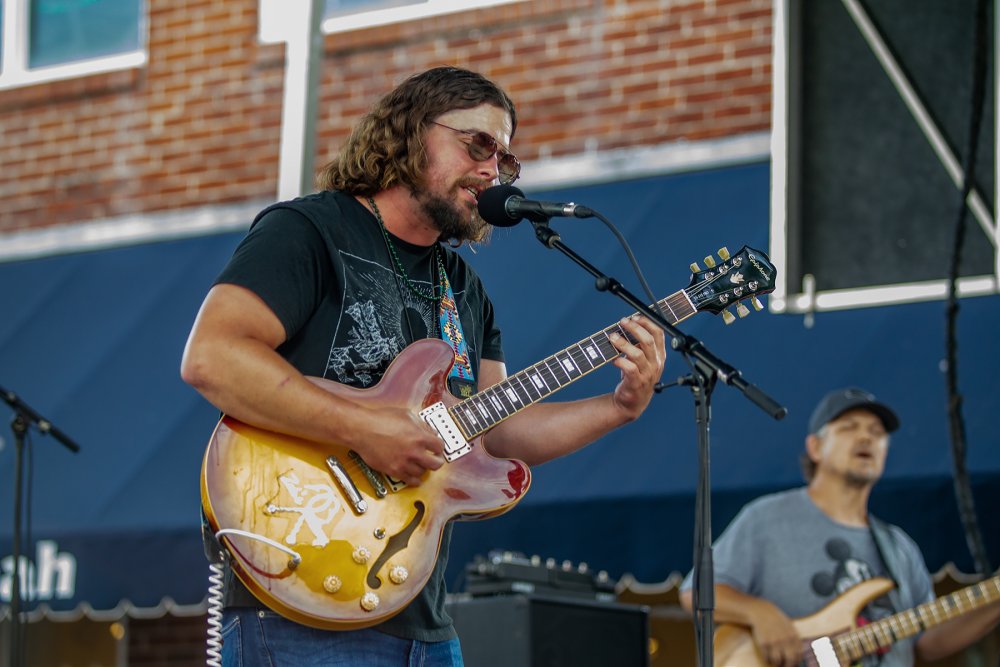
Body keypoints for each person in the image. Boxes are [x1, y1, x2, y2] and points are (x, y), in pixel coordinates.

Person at [180, 66, 666, 666]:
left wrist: (617, 408)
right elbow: (213, 357)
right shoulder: (309, 231)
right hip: (295, 588)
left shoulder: (462, 286)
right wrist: (363, 428)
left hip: (417, 610)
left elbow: (494, 431)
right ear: (411, 132)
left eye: (506, 160)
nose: (493, 169)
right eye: (478, 145)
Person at [679, 387, 1000, 666]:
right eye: (849, 427)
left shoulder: (899, 546)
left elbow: (928, 642)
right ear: (815, 447)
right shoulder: (767, 517)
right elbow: (695, 592)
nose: (865, 437)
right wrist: (760, 614)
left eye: (877, 432)